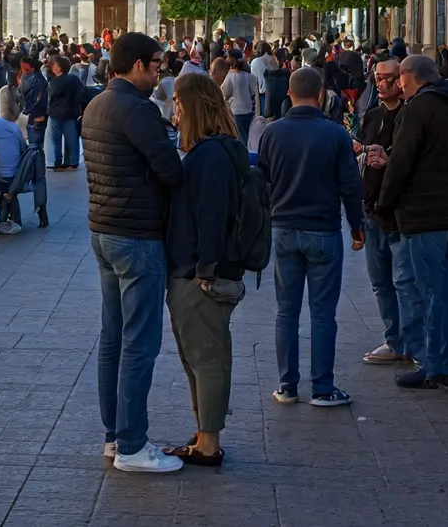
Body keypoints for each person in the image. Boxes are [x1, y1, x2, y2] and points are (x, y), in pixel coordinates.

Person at [81, 32, 184, 473]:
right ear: (138, 65)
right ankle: (132, 445)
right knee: (139, 343)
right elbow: (170, 170)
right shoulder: (137, 109)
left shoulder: (98, 104)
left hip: (104, 230)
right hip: (137, 234)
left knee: (113, 338)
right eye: (156, 64)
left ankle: (114, 436)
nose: (160, 71)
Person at [258, 67, 364, 407]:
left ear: (289, 94)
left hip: (284, 228)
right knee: (322, 313)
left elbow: (264, 182)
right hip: (323, 229)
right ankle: (323, 387)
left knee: (285, 312)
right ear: (321, 95)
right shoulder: (335, 135)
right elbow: (350, 185)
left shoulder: (272, 133)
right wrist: (357, 226)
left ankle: (287, 385)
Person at [163, 71, 246, 467]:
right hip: (200, 270)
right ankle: (203, 435)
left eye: (178, 102)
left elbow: (212, 215)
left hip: (200, 274)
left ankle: (209, 441)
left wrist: (204, 271)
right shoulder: (220, 149)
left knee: (206, 357)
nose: (173, 109)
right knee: (199, 356)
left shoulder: (210, 155)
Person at [376, 54, 448, 388]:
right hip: (446, 213)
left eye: (401, 81)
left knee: (433, 292)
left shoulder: (418, 109)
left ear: (410, 77)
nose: (399, 87)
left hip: (424, 214)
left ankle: (437, 365)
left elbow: (401, 163)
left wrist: (384, 203)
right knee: (446, 290)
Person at [355, 59, 423, 368]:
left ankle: (412, 344)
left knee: (404, 282)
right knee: (380, 281)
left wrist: (386, 158)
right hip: (372, 207)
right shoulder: (371, 115)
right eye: (378, 78)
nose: (383, 84)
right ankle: (395, 338)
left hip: (397, 211)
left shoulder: (410, 115)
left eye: (390, 78)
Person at [47, 55, 84, 170]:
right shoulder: (74, 79)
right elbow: (80, 95)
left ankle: (58, 161)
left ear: (58, 67)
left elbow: (51, 96)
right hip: (71, 112)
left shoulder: (54, 81)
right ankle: (73, 161)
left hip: (55, 113)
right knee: (72, 137)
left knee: (56, 139)